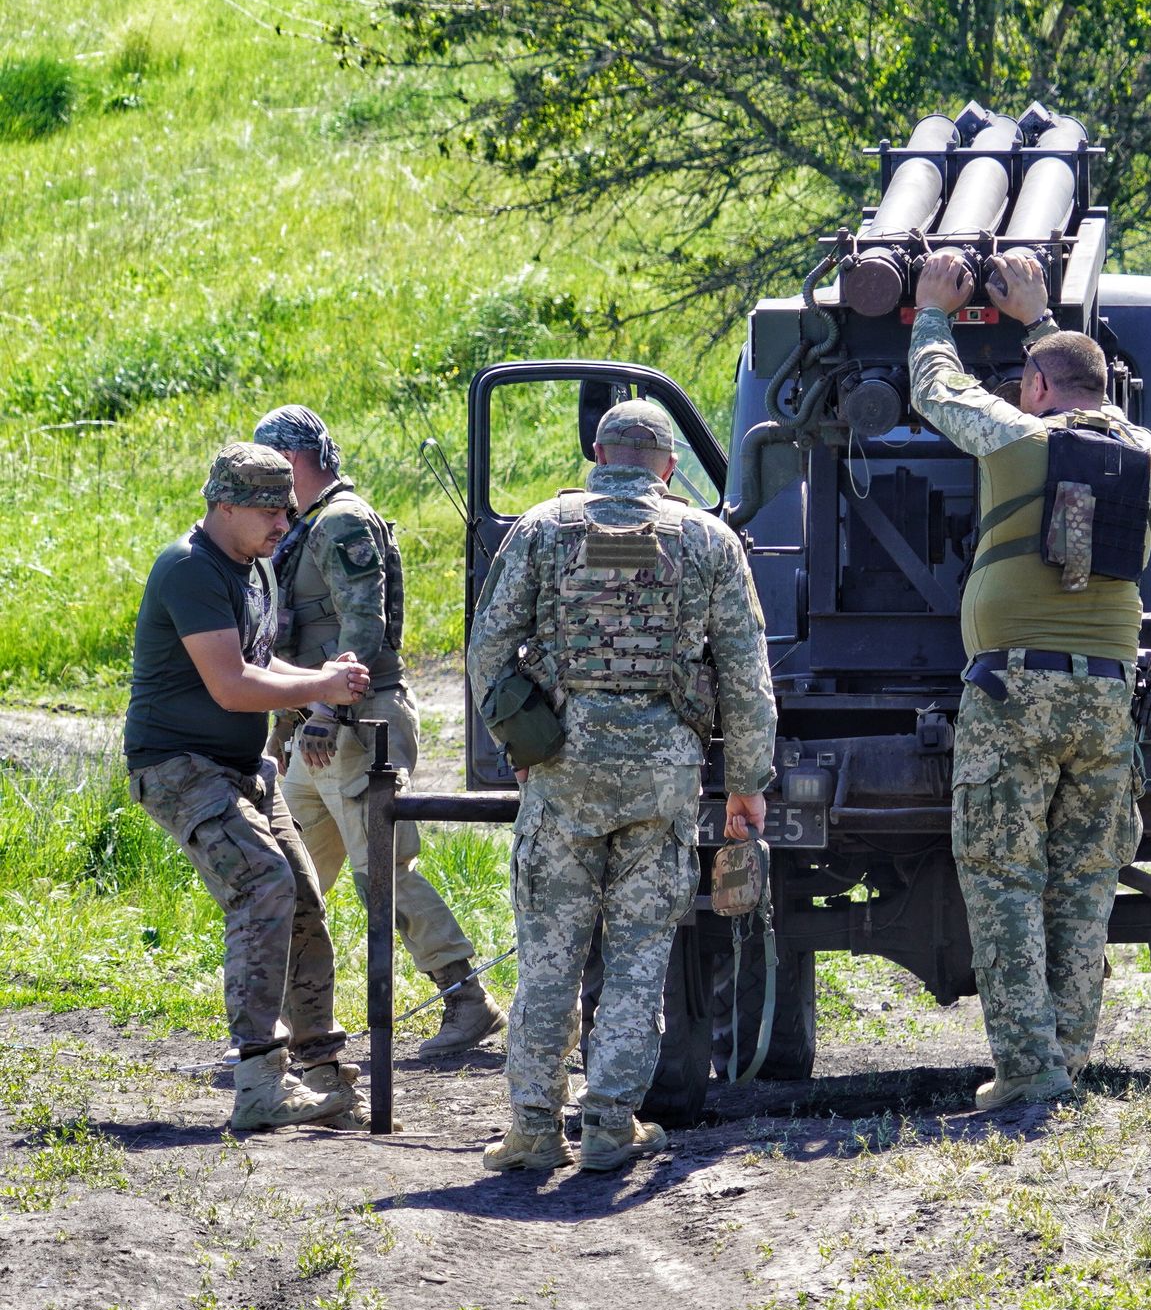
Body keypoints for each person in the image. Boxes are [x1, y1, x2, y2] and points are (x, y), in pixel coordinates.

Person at [466, 399, 777, 1173]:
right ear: (668, 466)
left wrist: (522, 739)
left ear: (597, 454)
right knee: (640, 957)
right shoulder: (706, 539)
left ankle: (534, 1129)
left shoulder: (541, 529)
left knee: (549, 958)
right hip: (662, 780)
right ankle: (609, 1124)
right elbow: (745, 674)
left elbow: (487, 652)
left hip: (564, 774)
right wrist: (745, 784)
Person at [909, 250, 1151, 1109]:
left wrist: (936, 311)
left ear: (1035, 390)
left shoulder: (1020, 437)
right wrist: (1041, 321)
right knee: (1085, 884)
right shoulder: (1148, 454)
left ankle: (1027, 1072)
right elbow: (1087, 390)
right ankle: (1065, 1057)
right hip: (1106, 696)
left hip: (1012, 693)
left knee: (1003, 879)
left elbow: (937, 392)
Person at [124, 444, 374, 1130]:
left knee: (302, 898)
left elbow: (261, 662)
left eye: (288, 509)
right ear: (222, 505)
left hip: (237, 770)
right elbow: (233, 686)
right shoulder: (189, 570)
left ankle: (324, 1073)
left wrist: (319, 680)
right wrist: (320, 686)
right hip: (175, 765)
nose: (282, 523)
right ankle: (260, 1078)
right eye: (267, 510)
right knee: (262, 882)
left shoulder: (252, 567)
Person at [252, 406, 507, 1058]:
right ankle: (288, 1026)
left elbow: (361, 627)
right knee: (291, 876)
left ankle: (464, 997)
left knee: (381, 873)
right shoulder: (311, 526)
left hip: (353, 722)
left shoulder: (341, 522)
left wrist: (329, 712)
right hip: (318, 726)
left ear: (295, 461)